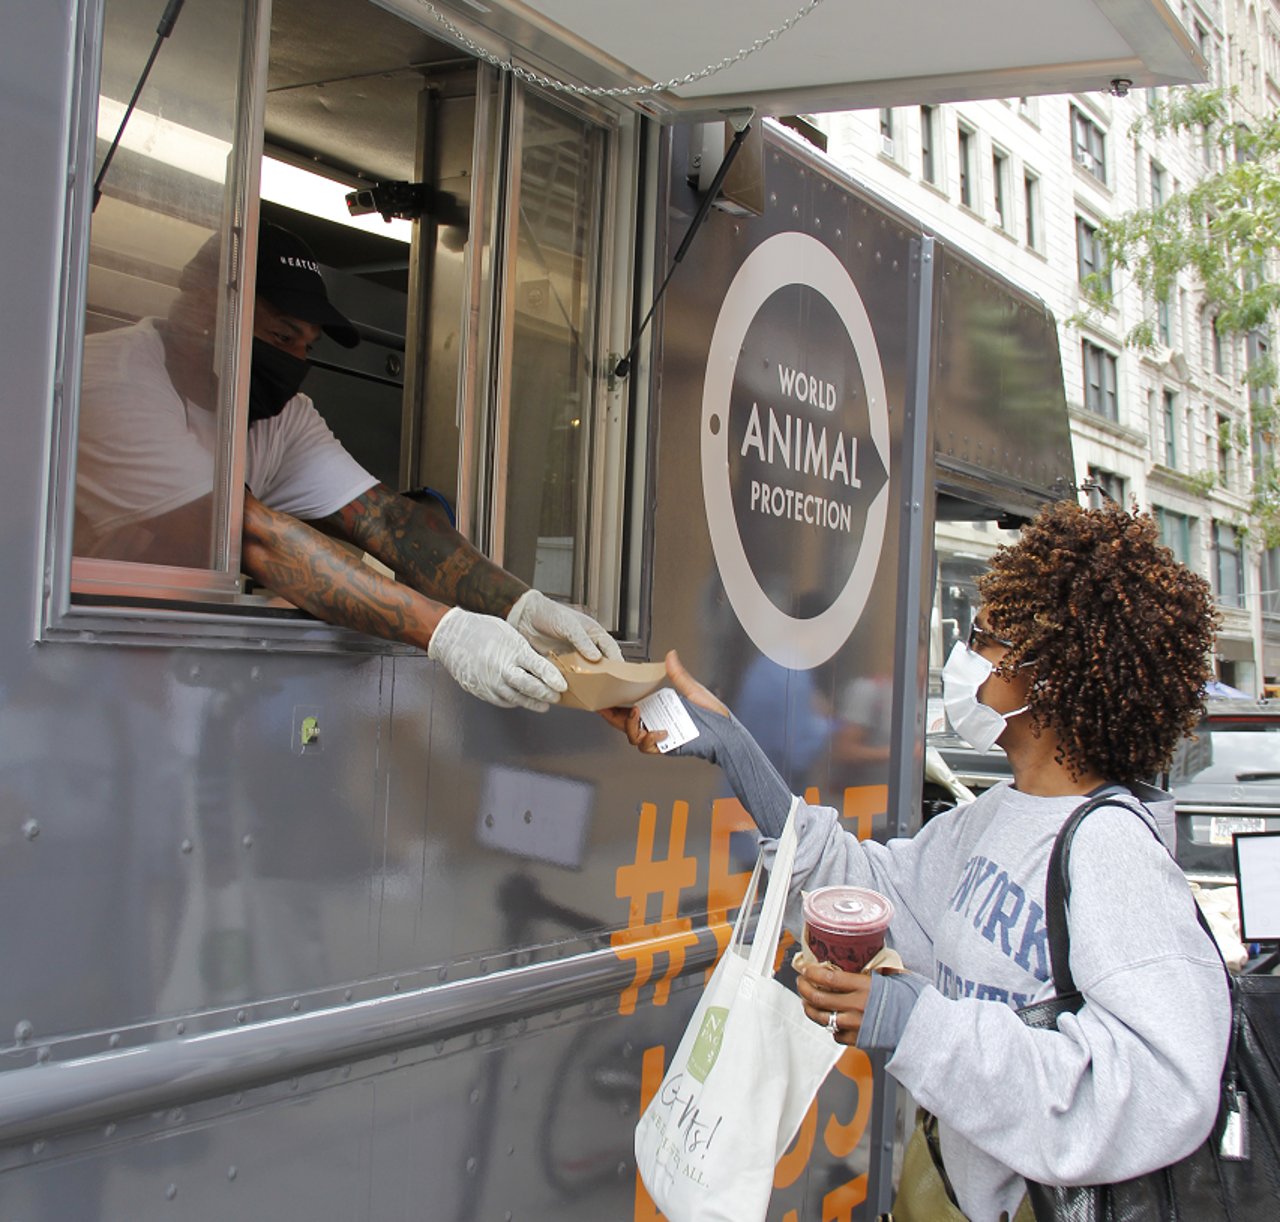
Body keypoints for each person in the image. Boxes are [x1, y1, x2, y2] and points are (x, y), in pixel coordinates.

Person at [605, 499, 1231, 1221]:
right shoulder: (995, 818)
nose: (969, 657)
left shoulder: (1115, 854)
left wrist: (919, 1024)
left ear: (1051, 677)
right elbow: (871, 889)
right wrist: (738, 753)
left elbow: (1163, 1088)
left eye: (988, 639)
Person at [74, 223, 620, 710]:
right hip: (69, 670)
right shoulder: (115, 381)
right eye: (282, 336)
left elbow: (389, 523)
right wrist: (446, 633)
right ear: (203, 307)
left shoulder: (279, 416)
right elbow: (250, 537)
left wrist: (521, 606)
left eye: (307, 346)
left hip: (164, 682)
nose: (296, 362)